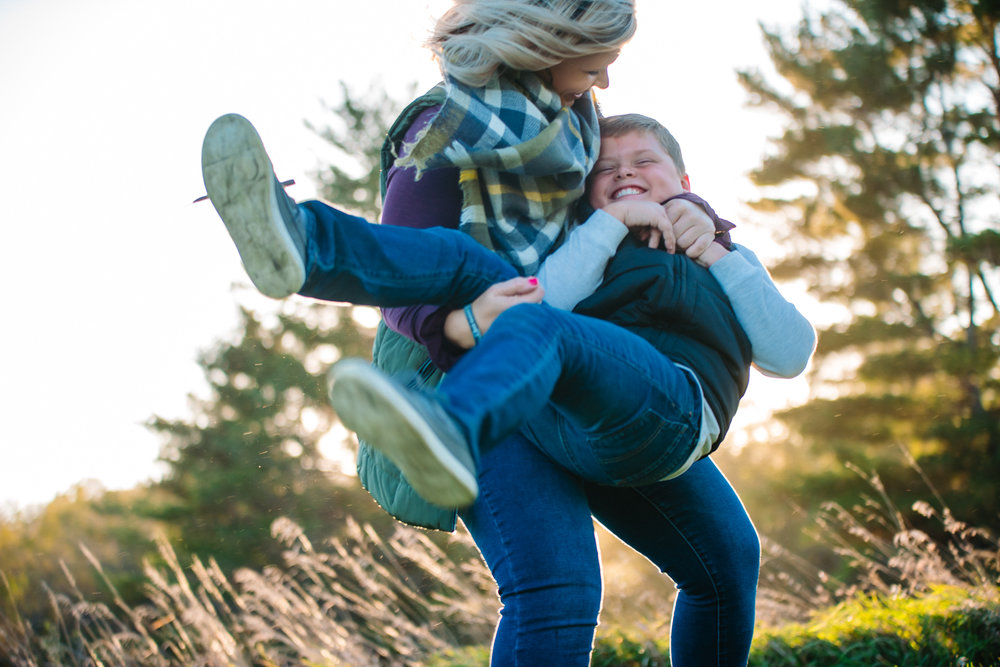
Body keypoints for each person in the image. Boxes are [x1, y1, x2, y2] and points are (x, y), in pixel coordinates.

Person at [198, 2, 811, 663]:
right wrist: (463, 323)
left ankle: (446, 409)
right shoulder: (446, 134)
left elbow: (776, 337)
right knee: (558, 585)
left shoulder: (580, 131)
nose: (604, 83)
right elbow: (528, 285)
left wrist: (700, 225)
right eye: (598, 58)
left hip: (610, 380)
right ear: (554, 44)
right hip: (494, 367)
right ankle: (302, 242)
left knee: (725, 558)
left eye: (647, 165)